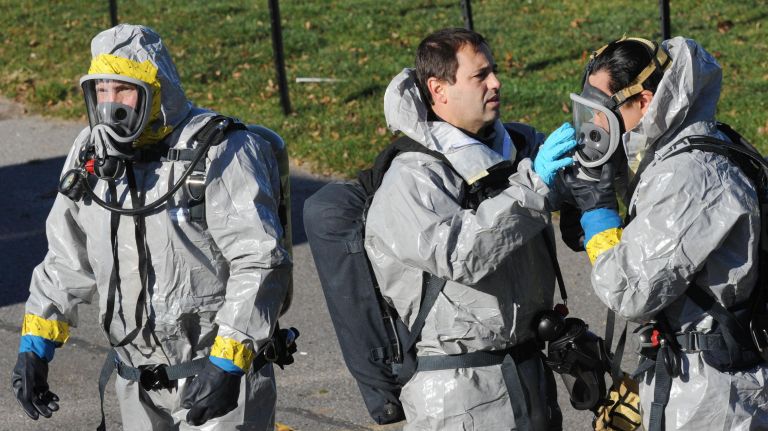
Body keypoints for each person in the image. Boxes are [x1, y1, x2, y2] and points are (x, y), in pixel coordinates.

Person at [10, 24, 292, 430]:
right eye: (101, 92)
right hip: (136, 380)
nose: (111, 106)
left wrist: (228, 363)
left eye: (123, 90)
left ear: (155, 90)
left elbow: (260, 261)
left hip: (215, 373)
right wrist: (35, 343)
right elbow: (67, 256)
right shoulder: (90, 152)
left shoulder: (221, 150)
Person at [364, 27, 576, 430]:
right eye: (480, 75)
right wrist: (535, 187)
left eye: (493, 71)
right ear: (439, 89)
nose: (496, 83)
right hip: (458, 393)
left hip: (528, 372)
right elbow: (462, 255)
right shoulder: (412, 177)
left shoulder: (513, 146)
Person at [559, 36, 768, 429]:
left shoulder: (691, 176)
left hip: (711, 399)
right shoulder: (683, 149)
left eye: (603, 111)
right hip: (692, 376)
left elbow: (630, 291)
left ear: (647, 100)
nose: (594, 126)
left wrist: (600, 215)